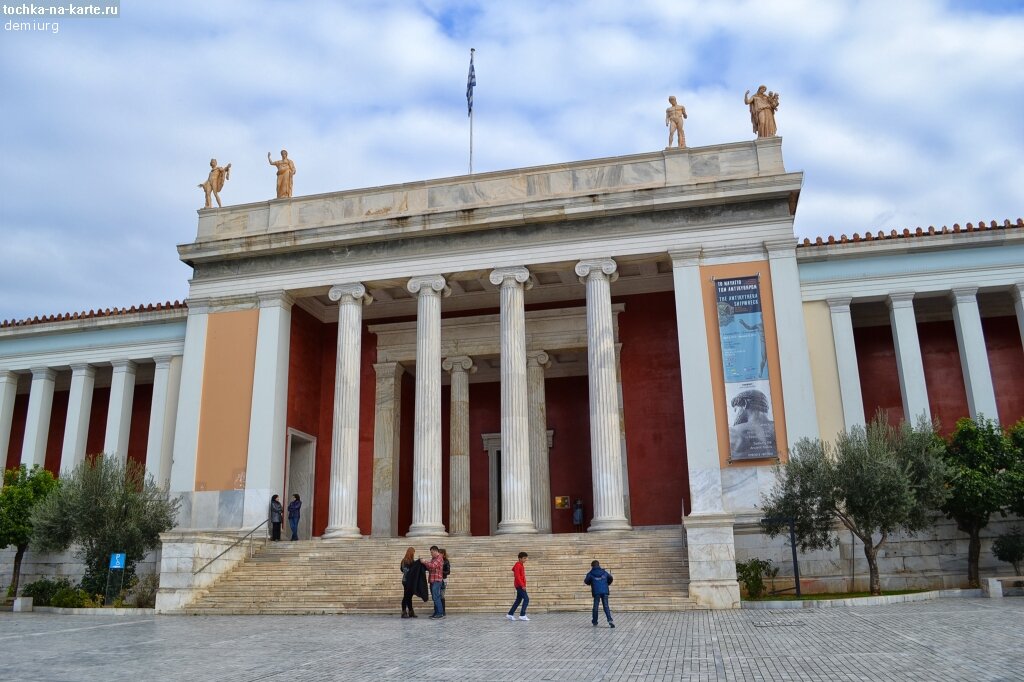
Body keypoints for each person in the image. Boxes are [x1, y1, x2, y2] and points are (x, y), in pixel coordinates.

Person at [584, 560, 615, 628]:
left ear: (592, 566)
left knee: (595, 607)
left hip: (596, 592)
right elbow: (611, 578)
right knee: (606, 606)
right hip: (605, 591)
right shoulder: (604, 572)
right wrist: (607, 584)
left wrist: (591, 583)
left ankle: (595, 621)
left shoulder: (590, 573)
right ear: (598, 565)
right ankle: (610, 620)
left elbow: (586, 581)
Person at [421, 545, 446, 619]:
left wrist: (425, 561)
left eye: (432, 552)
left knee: (436, 597)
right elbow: (429, 568)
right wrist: (424, 563)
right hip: (432, 580)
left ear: (435, 551)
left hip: (437, 580)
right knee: (434, 597)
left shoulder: (439, 558)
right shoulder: (434, 558)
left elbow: (432, 566)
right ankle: (436, 612)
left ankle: (440, 613)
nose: (431, 554)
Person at [506, 551, 530, 621]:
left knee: (518, 600)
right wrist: (522, 585)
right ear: (520, 558)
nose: (525, 560)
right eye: (524, 558)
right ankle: (522, 615)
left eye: (526, 558)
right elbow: (517, 577)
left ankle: (510, 614)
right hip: (519, 585)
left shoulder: (521, 565)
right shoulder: (518, 565)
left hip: (520, 585)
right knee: (526, 599)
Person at [400, 547, 418, 618]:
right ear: (411, 552)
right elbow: (405, 570)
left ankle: (410, 611)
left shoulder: (410, 561)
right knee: (406, 597)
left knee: (409, 597)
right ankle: (404, 612)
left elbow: (401, 569)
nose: (414, 554)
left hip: (410, 581)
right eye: (413, 552)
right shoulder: (405, 561)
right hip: (406, 581)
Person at [440, 548, 451, 614]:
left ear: (443, 554)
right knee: (437, 595)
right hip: (437, 579)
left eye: (440, 553)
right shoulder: (436, 560)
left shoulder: (446, 561)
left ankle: (443, 611)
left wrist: (440, 572)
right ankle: (438, 610)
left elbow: (448, 571)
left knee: (441, 595)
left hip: (443, 579)